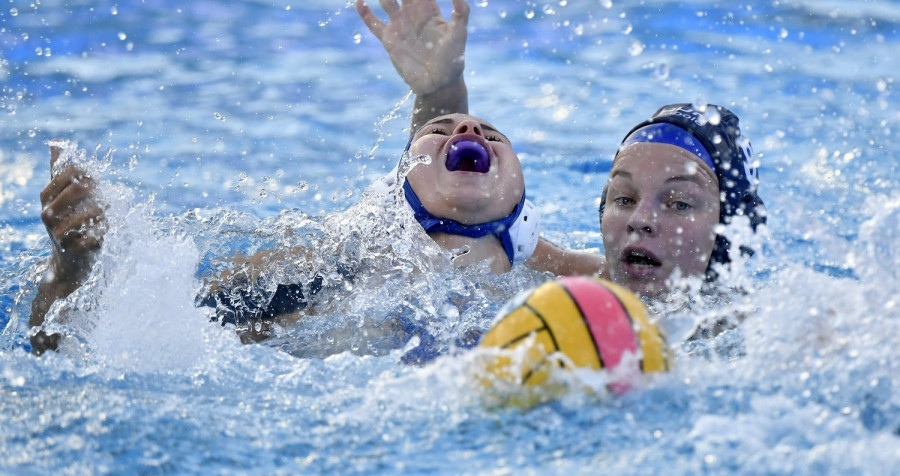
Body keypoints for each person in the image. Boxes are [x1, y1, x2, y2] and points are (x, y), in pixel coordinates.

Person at [355, 0, 766, 299]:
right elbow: (441, 204)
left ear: (730, 230)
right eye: (623, 199)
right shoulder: (570, 281)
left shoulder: (762, 330)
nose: (640, 220)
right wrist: (440, 92)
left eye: (679, 203)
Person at [28, 111, 543, 354]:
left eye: (492, 134)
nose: (469, 133)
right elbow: (93, 352)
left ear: (524, 208)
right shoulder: (322, 279)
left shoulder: (547, 285)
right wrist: (71, 269)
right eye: (440, 130)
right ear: (395, 192)